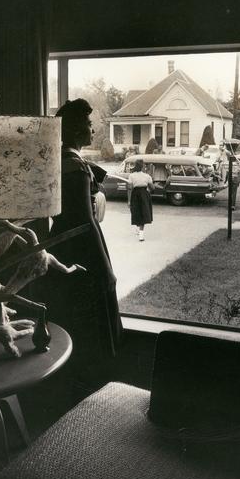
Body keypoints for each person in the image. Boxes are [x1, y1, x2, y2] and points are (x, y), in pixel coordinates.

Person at [47, 98, 122, 397]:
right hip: (80, 246)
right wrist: (105, 270)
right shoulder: (75, 167)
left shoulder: (60, 159)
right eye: (89, 125)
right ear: (78, 130)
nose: (93, 129)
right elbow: (86, 222)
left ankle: (73, 379)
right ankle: (92, 386)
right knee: (92, 311)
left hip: (61, 242)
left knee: (68, 311)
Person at [127, 158, 154, 241]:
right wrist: (151, 186)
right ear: (143, 167)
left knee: (136, 211)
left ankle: (138, 229)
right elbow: (152, 188)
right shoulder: (147, 176)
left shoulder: (131, 176)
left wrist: (128, 200)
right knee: (144, 213)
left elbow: (129, 189)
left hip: (135, 195)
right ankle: (141, 235)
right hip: (144, 195)